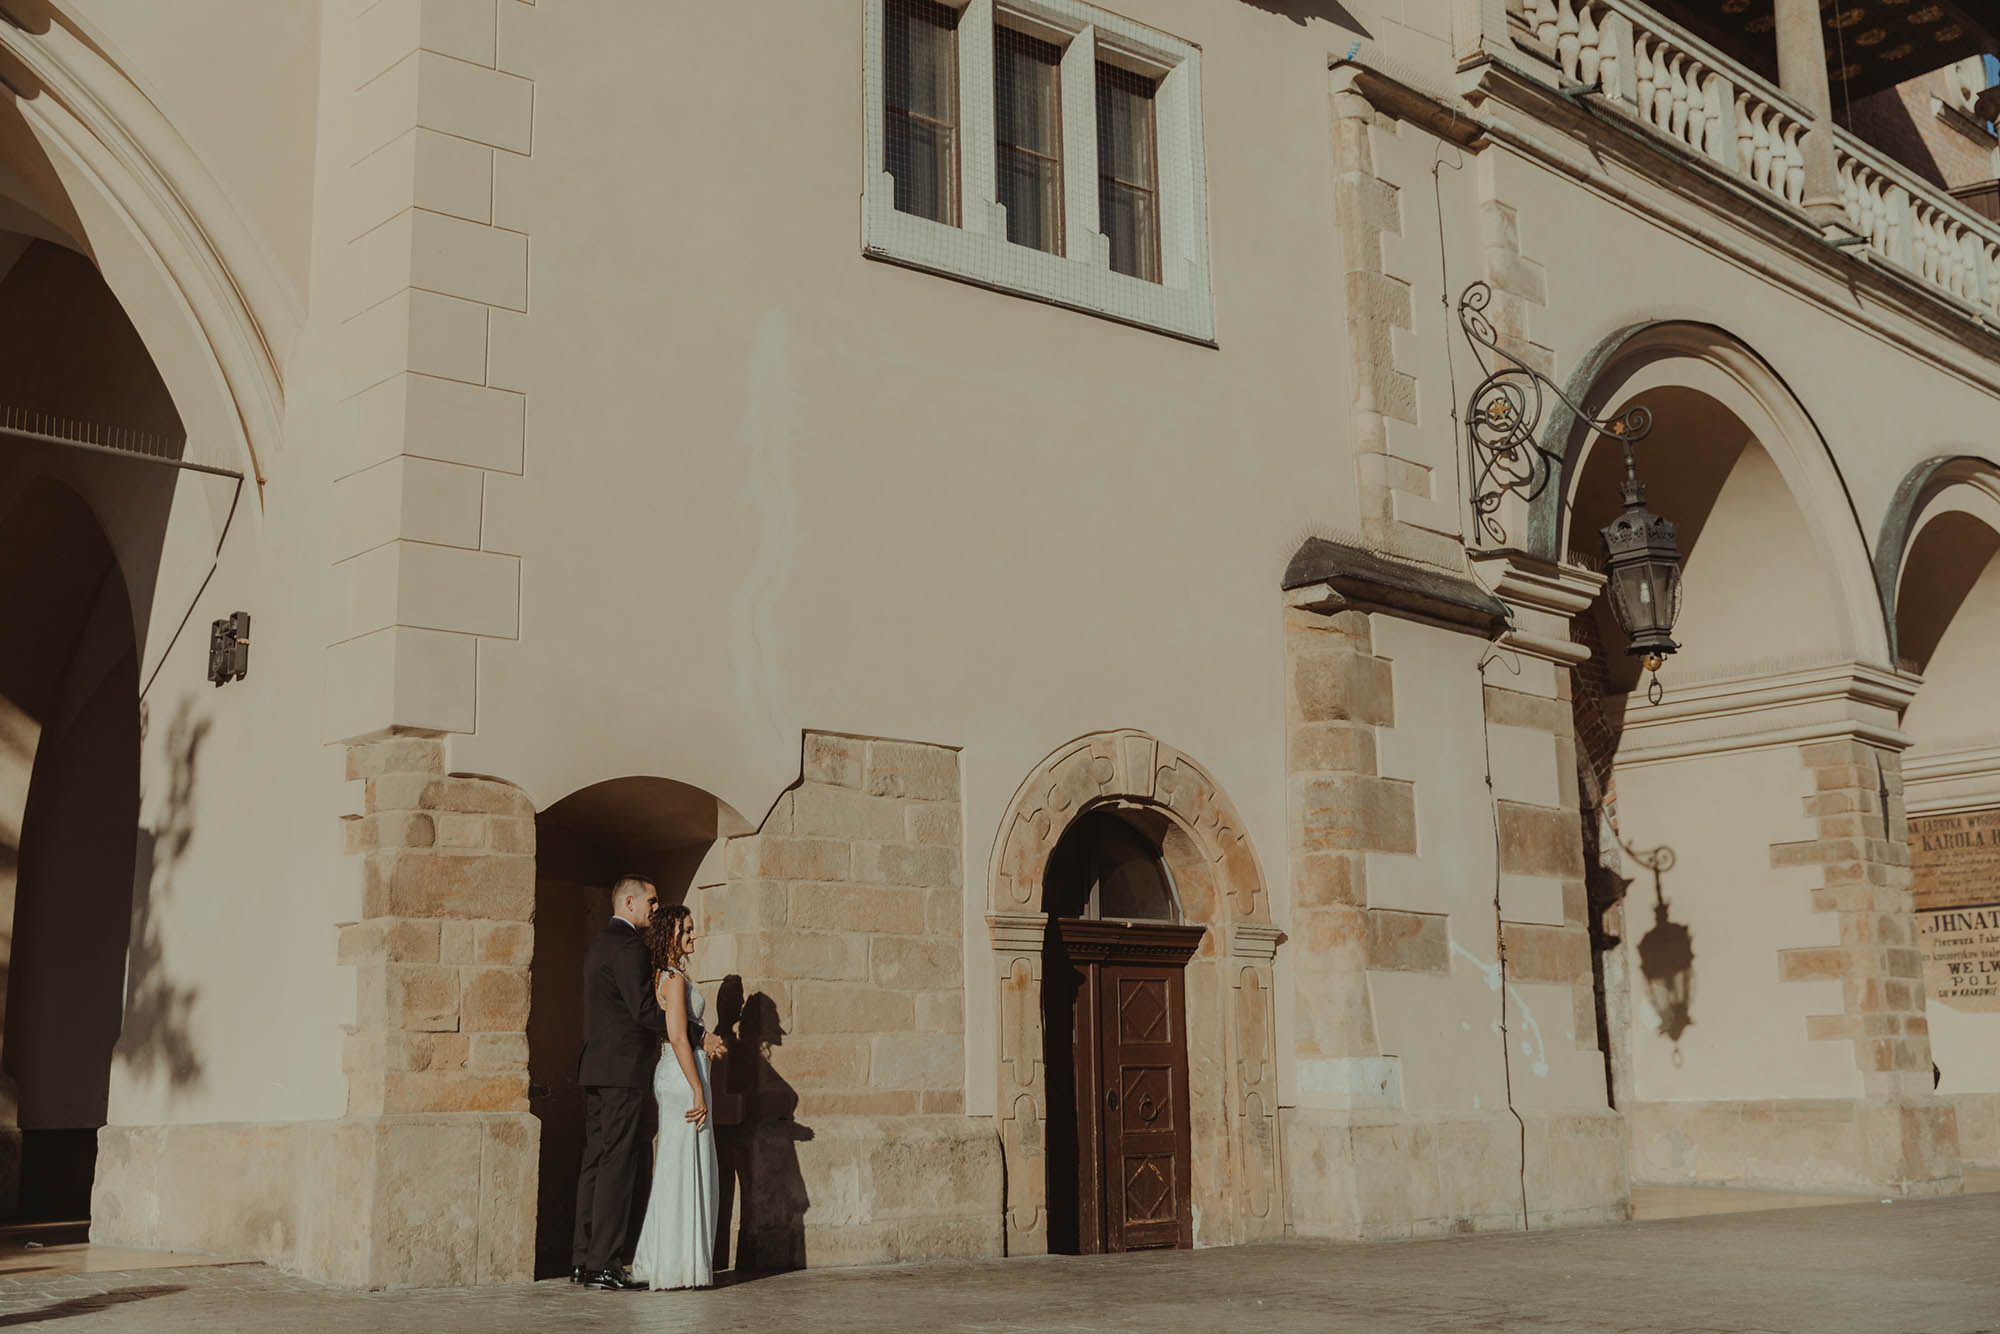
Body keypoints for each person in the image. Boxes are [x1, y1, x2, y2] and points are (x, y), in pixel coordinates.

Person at [569, 876, 722, 1291]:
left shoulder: (599, 944)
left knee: (594, 1161)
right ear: (629, 902)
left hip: (595, 1068)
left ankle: (583, 1258)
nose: (656, 909)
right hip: (622, 1071)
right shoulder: (630, 946)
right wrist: (697, 1034)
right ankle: (604, 1262)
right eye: (651, 902)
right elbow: (643, 1011)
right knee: (617, 1164)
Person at [629, 904, 722, 1291]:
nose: (693, 936)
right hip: (683, 1076)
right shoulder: (672, 979)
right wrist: (697, 1088)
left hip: (683, 1072)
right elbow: (679, 1036)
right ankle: (677, 1262)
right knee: (681, 1164)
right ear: (671, 935)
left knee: (683, 1162)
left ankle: (675, 1259)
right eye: (686, 930)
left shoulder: (669, 976)